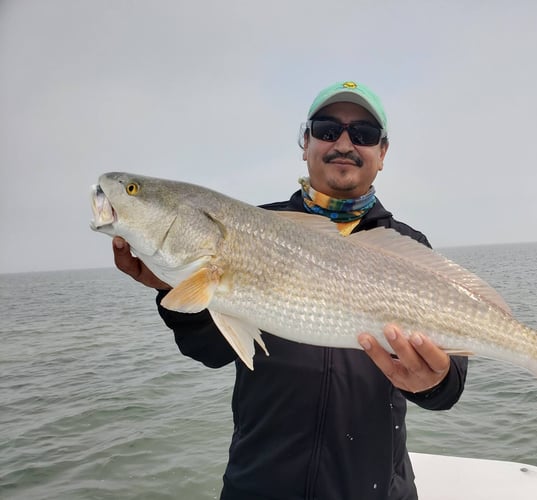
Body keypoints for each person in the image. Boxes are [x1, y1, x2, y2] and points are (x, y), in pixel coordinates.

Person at [113, 80, 468, 500]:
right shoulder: (253, 227)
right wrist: (170, 287)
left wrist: (436, 379)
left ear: (382, 153)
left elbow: (450, 385)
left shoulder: (409, 249)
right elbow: (209, 351)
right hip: (259, 485)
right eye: (326, 129)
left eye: (364, 135)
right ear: (305, 142)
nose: (343, 143)